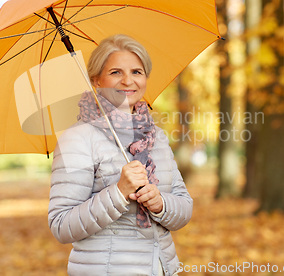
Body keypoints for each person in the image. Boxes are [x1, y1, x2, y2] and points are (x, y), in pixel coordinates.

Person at [48, 34, 193, 276]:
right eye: (116, 72)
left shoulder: (155, 136)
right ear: (96, 81)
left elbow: (184, 207)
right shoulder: (77, 138)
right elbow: (61, 225)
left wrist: (161, 204)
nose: (128, 81)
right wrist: (118, 192)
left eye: (137, 72)